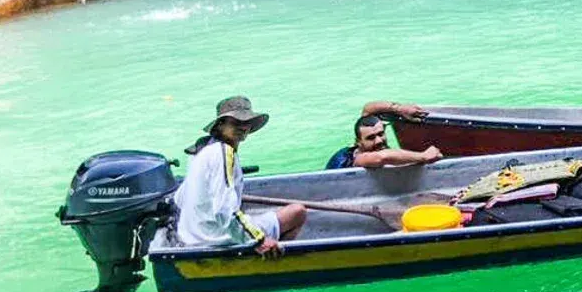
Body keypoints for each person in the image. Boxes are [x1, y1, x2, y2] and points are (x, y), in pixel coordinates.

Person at [174, 97, 305, 255]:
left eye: (246, 122)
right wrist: (259, 240)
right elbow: (224, 210)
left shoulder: (201, 149)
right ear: (220, 124)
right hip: (214, 239)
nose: (243, 127)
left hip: (191, 235)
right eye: (236, 122)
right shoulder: (223, 153)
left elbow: (179, 199)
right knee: (298, 212)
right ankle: (274, 259)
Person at [324, 101, 442, 170]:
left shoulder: (364, 127)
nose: (379, 140)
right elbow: (382, 157)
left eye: (381, 134)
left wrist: (400, 109)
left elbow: (368, 108)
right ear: (358, 143)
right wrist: (424, 156)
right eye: (371, 138)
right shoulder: (357, 159)